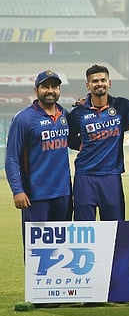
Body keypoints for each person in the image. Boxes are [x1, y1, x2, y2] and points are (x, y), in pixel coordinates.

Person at [67, 65, 129, 221]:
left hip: (111, 175)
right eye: (95, 81)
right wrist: (82, 144)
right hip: (85, 175)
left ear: (109, 83)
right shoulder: (78, 113)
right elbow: (69, 139)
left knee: (114, 227)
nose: (99, 84)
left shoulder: (122, 105)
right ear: (88, 85)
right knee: (84, 228)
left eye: (103, 80)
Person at [6, 70, 73, 227]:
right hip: (35, 195)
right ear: (36, 90)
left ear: (59, 90)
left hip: (64, 195)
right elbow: (12, 158)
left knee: (61, 247)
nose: (50, 91)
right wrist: (17, 190)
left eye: (54, 87)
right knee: (35, 249)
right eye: (45, 87)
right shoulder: (23, 119)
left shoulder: (65, 114)